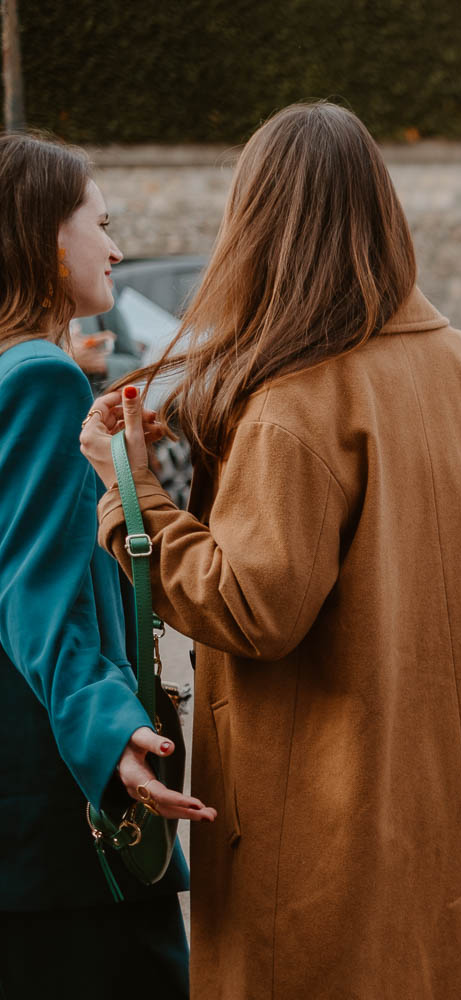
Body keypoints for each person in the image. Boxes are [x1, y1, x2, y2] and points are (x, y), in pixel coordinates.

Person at [77, 103, 461, 1000]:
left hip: (318, 844)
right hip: (443, 826)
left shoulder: (298, 403)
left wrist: (132, 494)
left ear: (258, 230)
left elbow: (254, 607)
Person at [0, 132, 215, 998]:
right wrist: (109, 731)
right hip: (56, 813)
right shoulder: (41, 377)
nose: (117, 247)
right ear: (48, 234)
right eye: (102, 222)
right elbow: (34, 585)